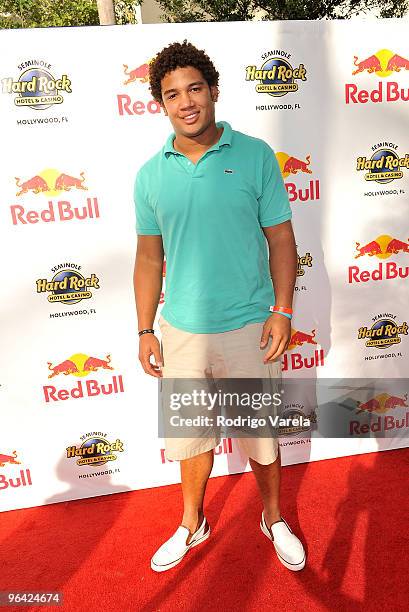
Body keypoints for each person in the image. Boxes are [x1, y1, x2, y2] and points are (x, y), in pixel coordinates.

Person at [133, 40, 305, 573]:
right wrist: (144, 329)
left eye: (195, 89)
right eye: (172, 94)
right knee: (190, 440)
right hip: (182, 330)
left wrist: (282, 311)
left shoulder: (255, 157)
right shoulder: (149, 174)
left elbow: (281, 239)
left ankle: (273, 517)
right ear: (161, 104)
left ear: (213, 91)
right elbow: (147, 257)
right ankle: (192, 522)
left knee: (263, 440)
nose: (186, 102)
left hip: (249, 325)